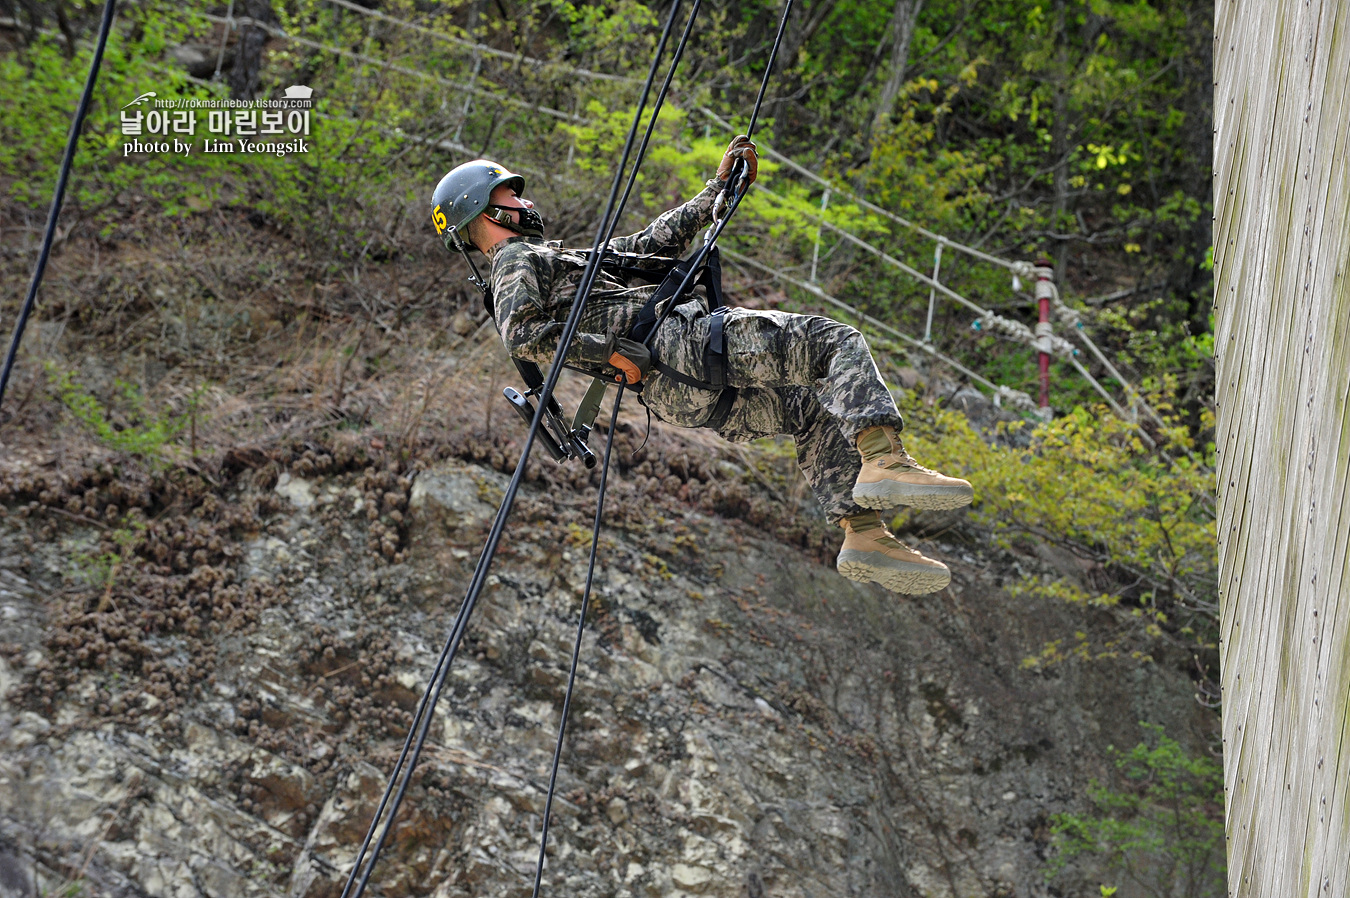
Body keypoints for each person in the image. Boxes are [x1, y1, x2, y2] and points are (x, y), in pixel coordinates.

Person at [430, 137, 973, 595]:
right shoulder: (518, 259)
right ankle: (884, 459)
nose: (524, 202)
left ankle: (863, 533)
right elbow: (523, 336)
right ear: (485, 208)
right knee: (832, 342)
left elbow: (645, 245)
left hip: (676, 394)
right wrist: (608, 354)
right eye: (510, 193)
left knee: (810, 411)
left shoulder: (557, 259)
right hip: (677, 346)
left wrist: (717, 194)